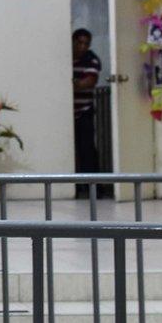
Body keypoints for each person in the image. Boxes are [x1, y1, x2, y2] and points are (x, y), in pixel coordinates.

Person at [72, 28, 102, 198]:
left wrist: (72, 83)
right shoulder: (64, 57)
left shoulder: (91, 59)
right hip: (65, 113)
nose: (83, 47)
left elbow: (89, 81)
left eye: (86, 43)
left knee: (87, 149)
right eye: (79, 43)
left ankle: (93, 188)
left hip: (84, 110)